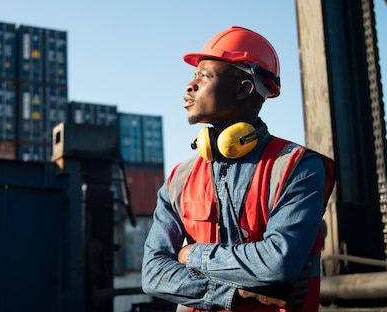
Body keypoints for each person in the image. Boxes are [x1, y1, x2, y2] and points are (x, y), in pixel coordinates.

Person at [141, 26, 336, 311]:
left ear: (244, 89)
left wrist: (191, 254)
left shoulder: (297, 166)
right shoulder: (178, 179)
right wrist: (237, 294)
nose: (189, 86)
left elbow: (278, 263)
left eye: (204, 76)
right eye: (193, 77)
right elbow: (153, 273)